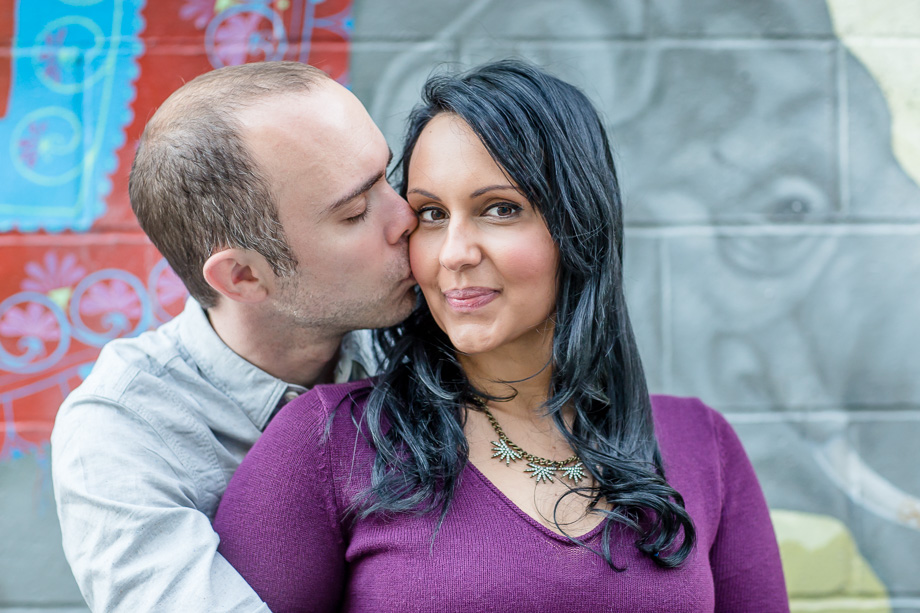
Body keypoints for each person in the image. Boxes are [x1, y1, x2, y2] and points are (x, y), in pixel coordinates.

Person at [213, 60, 790, 612]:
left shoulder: (701, 444)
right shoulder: (328, 444)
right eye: (432, 215)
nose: (455, 254)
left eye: (499, 209)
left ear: (577, 224)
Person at [50, 61, 418, 612]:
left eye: (387, 177)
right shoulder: (125, 431)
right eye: (356, 211)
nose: (407, 217)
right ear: (243, 277)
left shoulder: (422, 339)